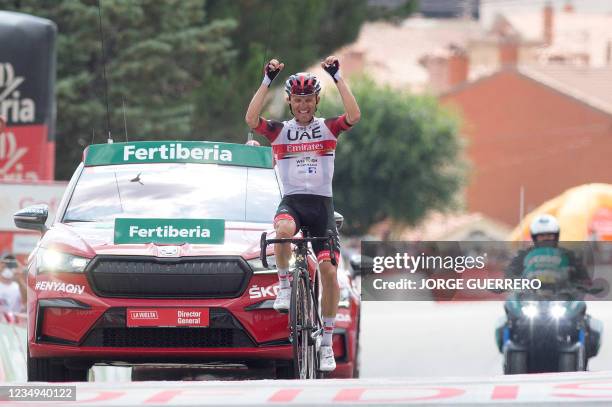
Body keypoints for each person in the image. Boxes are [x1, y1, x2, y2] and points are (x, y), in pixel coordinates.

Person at [245, 56, 360, 371]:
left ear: (316, 101)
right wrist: (267, 80)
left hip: (321, 207)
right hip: (294, 203)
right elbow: (251, 117)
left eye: (308, 100)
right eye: (298, 100)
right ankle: (284, 285)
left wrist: (337, 77)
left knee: (328, 272)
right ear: (291, 101)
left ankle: (324, 343)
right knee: (281, 231)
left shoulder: (328, 129)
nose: (303, 105)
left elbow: (354, 114)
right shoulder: (281, 131)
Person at [506, 214, 591, 290]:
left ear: (556, 236)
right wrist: (508, 282)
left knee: (580, 306)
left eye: (549, 235)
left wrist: (584, 283)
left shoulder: (568, 255)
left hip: (562, 297)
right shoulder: (523, 255)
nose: (546, 239)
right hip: (530, 298)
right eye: (542, 236)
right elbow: (511, 273)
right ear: (535, 238)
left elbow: (583, 276)